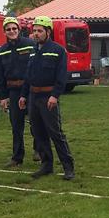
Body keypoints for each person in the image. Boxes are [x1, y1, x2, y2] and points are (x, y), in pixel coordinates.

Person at [19, 16, 75, 180]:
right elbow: (28, 76)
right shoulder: (33, 51)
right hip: (33, 96)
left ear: (48, 32)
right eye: (34, 31)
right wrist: (23, 95)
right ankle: (46, 164)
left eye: (40, 31)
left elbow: (61, 76)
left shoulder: (58, 50)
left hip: (48, 97)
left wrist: (55, 96)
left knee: (55, 133)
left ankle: (68, 166)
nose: (36, 34)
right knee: (38, 133)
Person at [0, 16, 36, 166]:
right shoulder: (2, 51)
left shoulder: (30, 45)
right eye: (8, 29)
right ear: (4, 32)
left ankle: (39, 150)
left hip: (30, 89)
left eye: (14, 28)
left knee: (36, 122)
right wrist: (3, 96)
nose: (11, 31)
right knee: (16, 125)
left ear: (19, 29)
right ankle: (17, 157)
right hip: (13, 91)